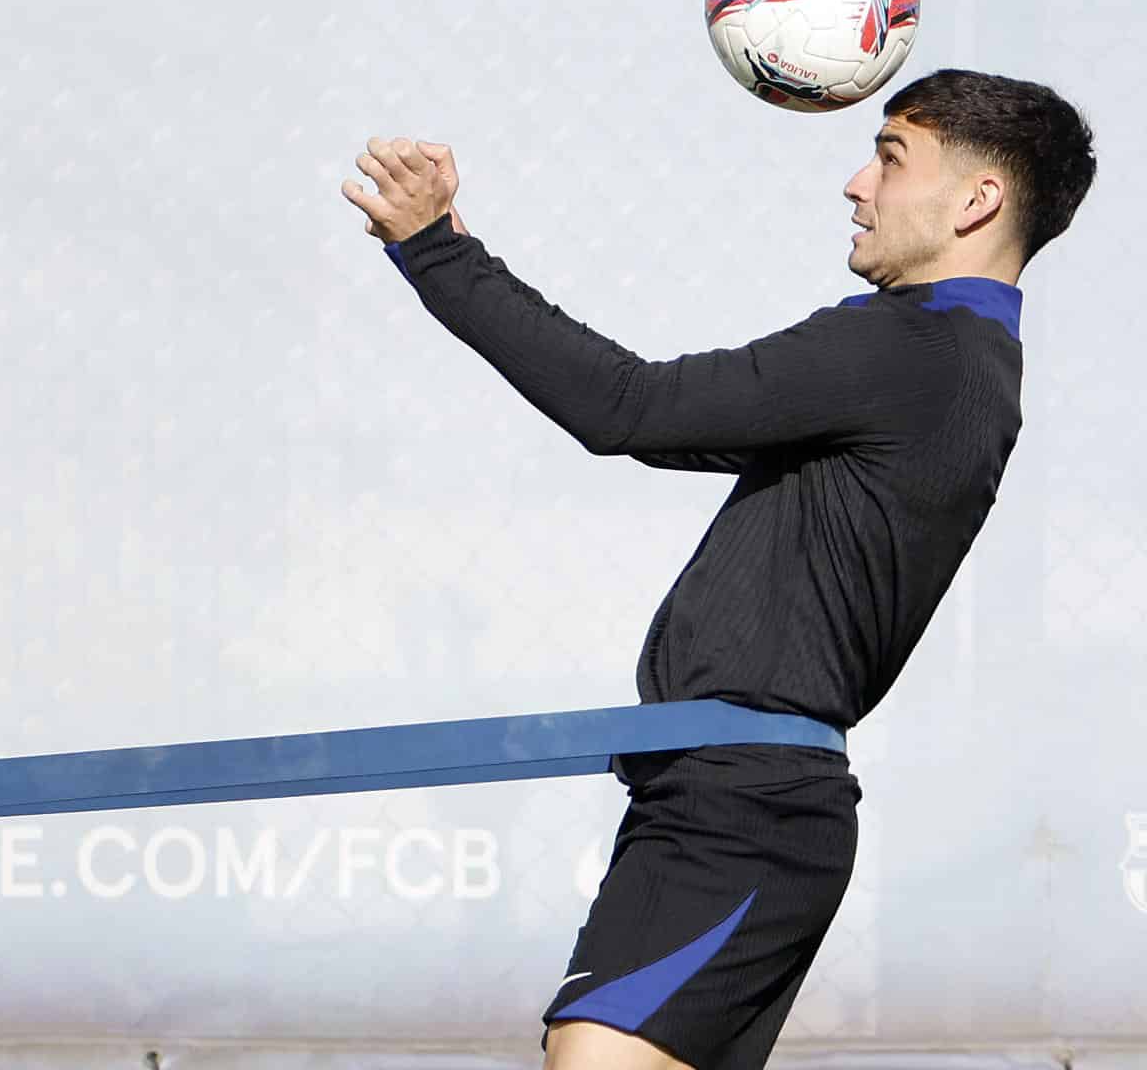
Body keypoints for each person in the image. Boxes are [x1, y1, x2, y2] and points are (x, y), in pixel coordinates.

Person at [340, 69, 1096, 1070]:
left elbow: (628, 407)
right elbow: (654, 420)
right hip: (741, 803)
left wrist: (436, 247)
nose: (855, 184)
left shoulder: (910, 350)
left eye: (889, 156)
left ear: (976, 201)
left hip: (738, 813)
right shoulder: (964, 362)